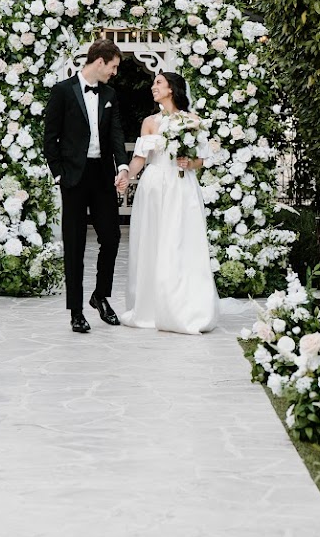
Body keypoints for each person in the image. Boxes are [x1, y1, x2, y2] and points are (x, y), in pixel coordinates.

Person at [119, 71, 220, 335]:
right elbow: (141, 158)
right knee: (153, 242)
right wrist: (126, 176)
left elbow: (202, 159)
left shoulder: (192, 121)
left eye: (158, 83)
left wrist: (191, 163)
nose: (153, 87)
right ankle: (151, 307)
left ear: (172, 89)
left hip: (181, 187)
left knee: (180, 242)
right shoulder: (150, 122)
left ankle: (184, 305)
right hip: (154, 186)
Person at [42, 39, 131, 334]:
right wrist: (59, 175)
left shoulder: (110, 94)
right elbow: (49, 138)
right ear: (100, 62)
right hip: (74, 178)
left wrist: (122, 166)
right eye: (114, 66)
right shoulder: (62, 91)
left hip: (102, 176)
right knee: (76, 244)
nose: (115, 72)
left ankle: (100, 296)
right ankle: (76, 311)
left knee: (112, 236)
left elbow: (116, 133)